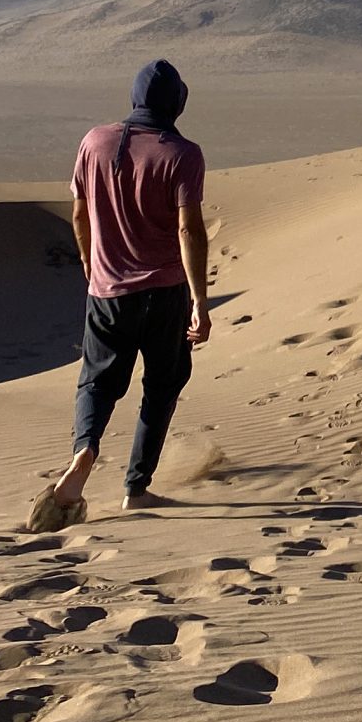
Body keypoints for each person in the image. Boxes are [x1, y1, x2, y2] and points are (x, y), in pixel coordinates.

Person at [29, 59, 211, 531]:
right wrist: (200, 301)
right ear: (177, 103)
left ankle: (85, 450)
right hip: (165, 294)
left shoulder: (94, 141)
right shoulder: (183, 153)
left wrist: (90, 262)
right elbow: (189, 229)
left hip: (106, 293)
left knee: (97, 381)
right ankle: (136, 488)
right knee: (162, 386)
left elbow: (78, 212)